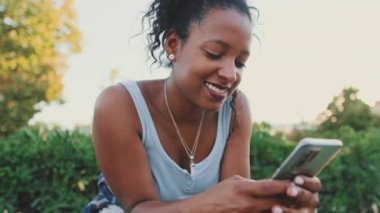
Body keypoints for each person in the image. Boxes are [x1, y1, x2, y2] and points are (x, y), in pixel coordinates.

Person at [83, 0, 321, 212]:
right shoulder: (120, 105)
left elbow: (234, 207)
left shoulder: (235, 109)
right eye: (214, 53)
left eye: (240, 63)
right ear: (173, 45)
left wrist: (275, 202)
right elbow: (137, 207)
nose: (230, 74)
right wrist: (214, 202)